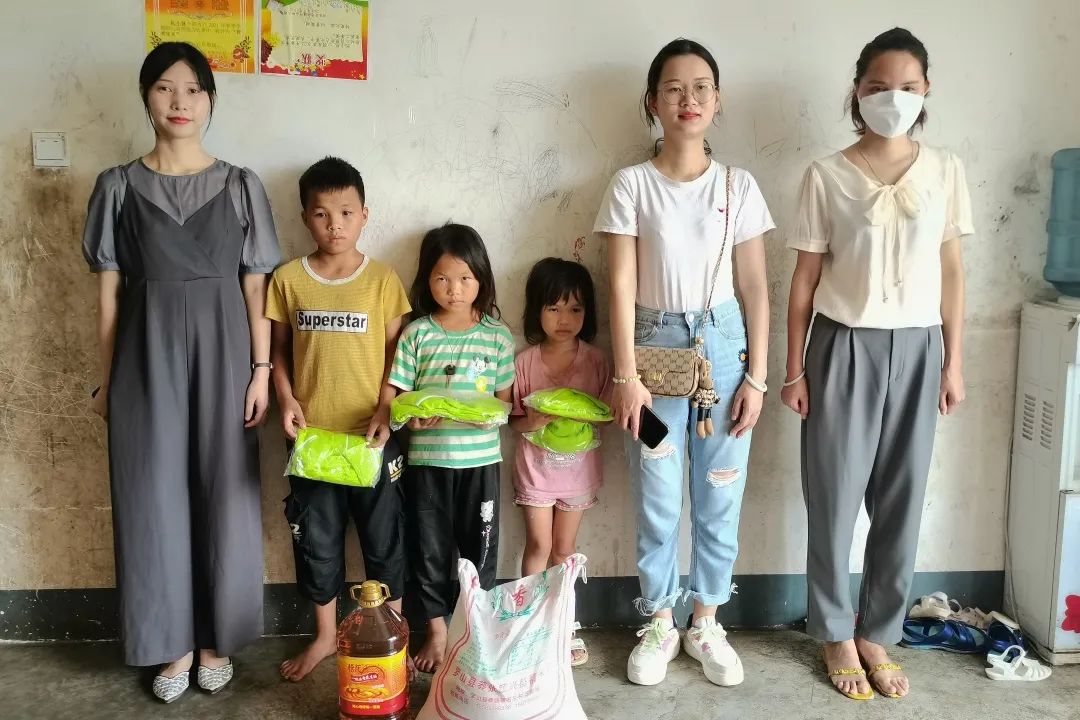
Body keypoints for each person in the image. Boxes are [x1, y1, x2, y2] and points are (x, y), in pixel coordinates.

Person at [82, 41, 280, 702]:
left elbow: (256, 287)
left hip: (227, 352)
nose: (180, 101)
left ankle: (216, 639)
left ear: (210, 100)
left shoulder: (241, 184)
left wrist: (261, 369)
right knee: (151, 495)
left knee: (225, 493)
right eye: (165, 87)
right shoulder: (115, 187)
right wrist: (109, 378)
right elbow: (109, 297)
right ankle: (170, 643)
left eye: (193, 89)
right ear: (146, 97)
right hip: (145, 354)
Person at [781, 27, 972, 701]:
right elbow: (804, 280)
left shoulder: (945, 169)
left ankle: (878, 632)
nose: (894, 97)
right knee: (833, 499)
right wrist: (794, 369)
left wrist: (953, 362)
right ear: (858, 91)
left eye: (908, 86)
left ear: (926, 91)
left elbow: (952, 271)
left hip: (919, 348)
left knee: (902, 501)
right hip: (843, 345)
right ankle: (835, 632)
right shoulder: (826, 175)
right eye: (879, 85)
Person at [594, 38, 773, 687]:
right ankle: (660, 623)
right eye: (673, 88)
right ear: (652, 101)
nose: (688, 99)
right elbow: (619, 285)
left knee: (720, 492)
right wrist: (624, 377)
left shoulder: (738, 186)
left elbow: (755, 287)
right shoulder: (631, 185)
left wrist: (757, 377)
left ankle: (707, 622)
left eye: (701, 88)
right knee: (658, 493)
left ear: (717, 100)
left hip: (723, 350)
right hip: (649, 353)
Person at [266, 157, 411, 682]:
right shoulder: (287, 280)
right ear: (305, 217)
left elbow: (400, 354)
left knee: (384, 537)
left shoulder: (382, 280)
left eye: (346, 212)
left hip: (374, 436)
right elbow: (278, 350)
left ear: (364, 215)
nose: (335, 225)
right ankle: (326, 635)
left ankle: (393, 632)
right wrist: (285, 399)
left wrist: (386, 407)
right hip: (313, 441)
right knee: (316, 539)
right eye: (322, 214)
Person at [388, 223, 515, 673]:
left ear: (482, 279)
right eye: (442, 278)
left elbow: (505, 405)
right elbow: (398, 399)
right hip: (428, 462)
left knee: (480, 547)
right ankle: (438, 631)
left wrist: (487, 415)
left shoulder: (497, 336)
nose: (454, 289)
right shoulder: (417, 334)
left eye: (465, 278)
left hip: (480, 463)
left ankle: (475, 628)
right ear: (427, 279)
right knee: (430, 549)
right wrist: (410, 418)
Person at [509, 257, 610, 666]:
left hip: (578, 474)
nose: (564, 319)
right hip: (535, 471)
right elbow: (513, 421)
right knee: (539, 545)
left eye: (575, 308)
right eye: (553, 308)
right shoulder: (524, 362)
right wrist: (532, 421)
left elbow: (608, 414)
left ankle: (565, 624)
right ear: (536, 309)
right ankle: (530, 624)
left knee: (564, 549)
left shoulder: (597, 362)